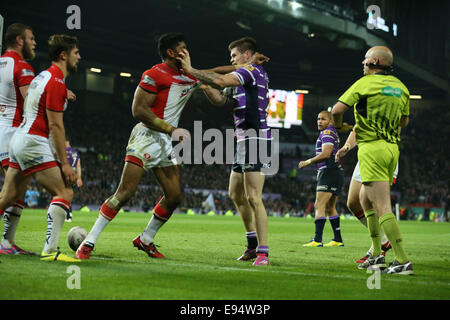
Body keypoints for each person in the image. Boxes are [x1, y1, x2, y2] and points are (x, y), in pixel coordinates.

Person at [76, 33, 265, 260]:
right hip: (147, 136)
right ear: (171, 53)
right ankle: (88, 242)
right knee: (125, 192)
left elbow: (216, 73)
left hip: (165, 142)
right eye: (182, 48)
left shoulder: (188, 75)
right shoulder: (154, 74)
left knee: (174, 196)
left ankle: (145, 239)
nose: (187, 52)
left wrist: (249, 64)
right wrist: (171, 129)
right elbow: (138, 110)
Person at [177, 37, 272, 266]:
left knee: (253, 197)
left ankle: (263, 253)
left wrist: (192, 70)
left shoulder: (251, 71)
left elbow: (221, 79)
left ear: (247, 55)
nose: (231, 59)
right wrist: (206, 86)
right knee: (235, 193)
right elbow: (221, 100)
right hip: (242, 140)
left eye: (234, 55)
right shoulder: (242, 77)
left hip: (255, 138)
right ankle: (251, 244)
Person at [332, 46, 413, 275]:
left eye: (365, 60)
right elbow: (404, 121)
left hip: (372, 150)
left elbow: (337, 109)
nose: (362, 63)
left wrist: (338, 126)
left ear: (375, 61)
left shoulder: (364, 83)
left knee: (381, 206)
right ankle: (377, 256)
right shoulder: (401, 87)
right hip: (391, 149)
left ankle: (402, 260)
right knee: (364, 202)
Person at [0, 34, 81, 262]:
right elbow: (56, 125)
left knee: (8, 196)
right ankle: (50, 251)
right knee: (64, 192)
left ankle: (7, 243)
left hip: (18, 139)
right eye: (76, 53)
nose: (79, 57)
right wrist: (65, 164)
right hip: (33, 141)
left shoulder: (42, 76)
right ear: (64, 55)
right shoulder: (55, 80)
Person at [0, 23, 37, 255]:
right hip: (12, 133)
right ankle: (6, 243)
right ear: (19, 40)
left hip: (2, 131)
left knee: (18, 191)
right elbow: (31, 105)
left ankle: (7, 243)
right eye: (31, 38)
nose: (35, 43)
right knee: (12, 192)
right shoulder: (22, 66)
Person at [335, 127, 396, 263]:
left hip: (382, 154)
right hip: (365, 155)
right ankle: (384, 241)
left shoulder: (390, 108)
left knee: (374, 202)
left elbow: (398, 126)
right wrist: (346, 147)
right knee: (353, 202)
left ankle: (391, 256)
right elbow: (357, 129)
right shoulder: (364, 108)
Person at [298, 111, 344, 247]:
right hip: (335, 172)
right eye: (318, 119)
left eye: (323, 119)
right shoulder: (331, 131)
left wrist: (307, 162)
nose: (319, 121)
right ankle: (337, 239)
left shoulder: (327, 133)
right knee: (330, 207)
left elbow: (326, 153)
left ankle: (317, 240)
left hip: (329, 172)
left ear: (330, 121)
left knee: (319, 205)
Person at [64, 139, 82, 222]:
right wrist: (79, 178)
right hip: (74, 175)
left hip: (66, 175)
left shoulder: (64, 151)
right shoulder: (75, 152)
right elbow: (78, 165)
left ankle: (68, 214)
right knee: (68, 194)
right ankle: (68, 214)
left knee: (64, 195)